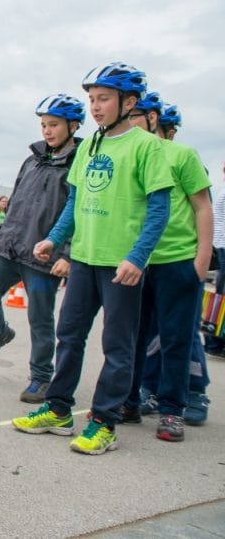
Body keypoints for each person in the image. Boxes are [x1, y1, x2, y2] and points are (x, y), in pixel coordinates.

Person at [13, 62, 174, 455]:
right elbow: (75, 201)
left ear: (128, 102)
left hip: (122, 265)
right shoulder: (89, 146)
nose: (96, 107)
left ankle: (104, 422)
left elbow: (159, 209)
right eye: (92, 100)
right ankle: (58, 410)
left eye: (104, 99)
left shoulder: (146, 146)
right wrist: (54, 239)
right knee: (69, 336)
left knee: (117, 346)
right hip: (83, 259)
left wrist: (138, 257)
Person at [0, 94, 83, 404]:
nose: (47, 131)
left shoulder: (79, 162)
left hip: (44, 254)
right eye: (44, 125)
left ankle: (40, 378)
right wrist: (4, 234)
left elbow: (79, 211)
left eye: (54, 125)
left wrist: (66, 253)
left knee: (40, 318)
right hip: (10, 247)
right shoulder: (32, 158)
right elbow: (17, 198)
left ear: (73, 126)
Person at [120, 94, 212, 440]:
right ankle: (129, 401)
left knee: (176, 338)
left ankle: (173, 409)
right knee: (133, 336)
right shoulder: (128, 155)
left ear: (153, 118)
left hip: (177, 260)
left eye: (137, 116)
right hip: (136, 261)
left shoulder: (182, 155)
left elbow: (202, 207)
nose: (130, 122)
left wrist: (200, 262)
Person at [209, 160, 225, 357]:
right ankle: (215, 342)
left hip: (221, 245)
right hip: (223, 246)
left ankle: (215, 342)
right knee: (221, 296)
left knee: (220, 295)